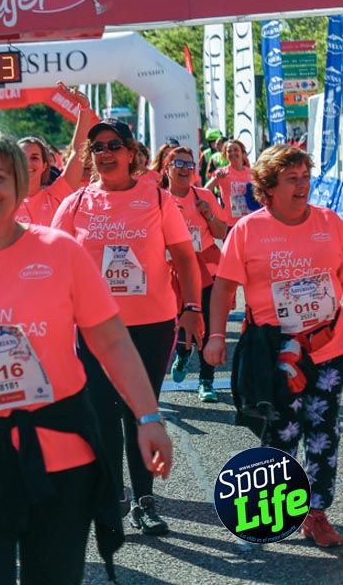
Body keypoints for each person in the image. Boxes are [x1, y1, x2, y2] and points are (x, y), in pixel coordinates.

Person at [0, 129, 173, 585]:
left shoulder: (61, 252)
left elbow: (112, 342)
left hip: (61, 453)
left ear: (20, 184)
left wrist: (148, 417)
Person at [52, 119, 203, 535]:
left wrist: (192, 307)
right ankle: (113, 494)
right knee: (101, 412)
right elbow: (52, 265)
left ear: (132, 152)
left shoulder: (155, 198)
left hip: (151, 324)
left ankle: (144, 499)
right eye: (97, 146)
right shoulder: (76, 203)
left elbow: (185, 258)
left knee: (142, 409)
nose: (105, 153)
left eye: (114, 145)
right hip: (96, 328)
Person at [205, 145, 343, 548]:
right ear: (268, 186)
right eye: (292, 179)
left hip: (328, 346)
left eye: (305, 177)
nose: (302, 186)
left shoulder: (330, 223)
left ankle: (317, 514)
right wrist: (216, 336)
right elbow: (224, 288)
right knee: (282, 433)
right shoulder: (248, 230)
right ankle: (276, 507)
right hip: (275, 352)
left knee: (324, 432)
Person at [159, 148, 229, 402]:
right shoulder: (158, 199)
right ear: (166, 168)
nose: (185, 168)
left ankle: (206, 381)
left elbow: (222, 233)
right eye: (178, 163)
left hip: (205, 269)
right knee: (176, 324)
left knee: (208, 326)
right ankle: (183, 352)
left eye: (189, 164)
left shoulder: (205, 196)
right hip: (170, 270)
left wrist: (207, 214)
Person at [16, 86, 93, 227]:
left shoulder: (56, 195)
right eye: (22, 158)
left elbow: (78, 152)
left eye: (34, 158)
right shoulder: (4, 202)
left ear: (44, 165)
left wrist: (84, 108)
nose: (28, 163)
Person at [205, 139, 256, 225]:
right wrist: (216, 179)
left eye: (236, 150)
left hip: (250, 221)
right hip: (229, 223)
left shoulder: (252, 173)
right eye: (229, 151)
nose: (232, 153)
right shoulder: (222, 172)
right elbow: (205, 191)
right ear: (225, 155)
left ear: (242, 153)